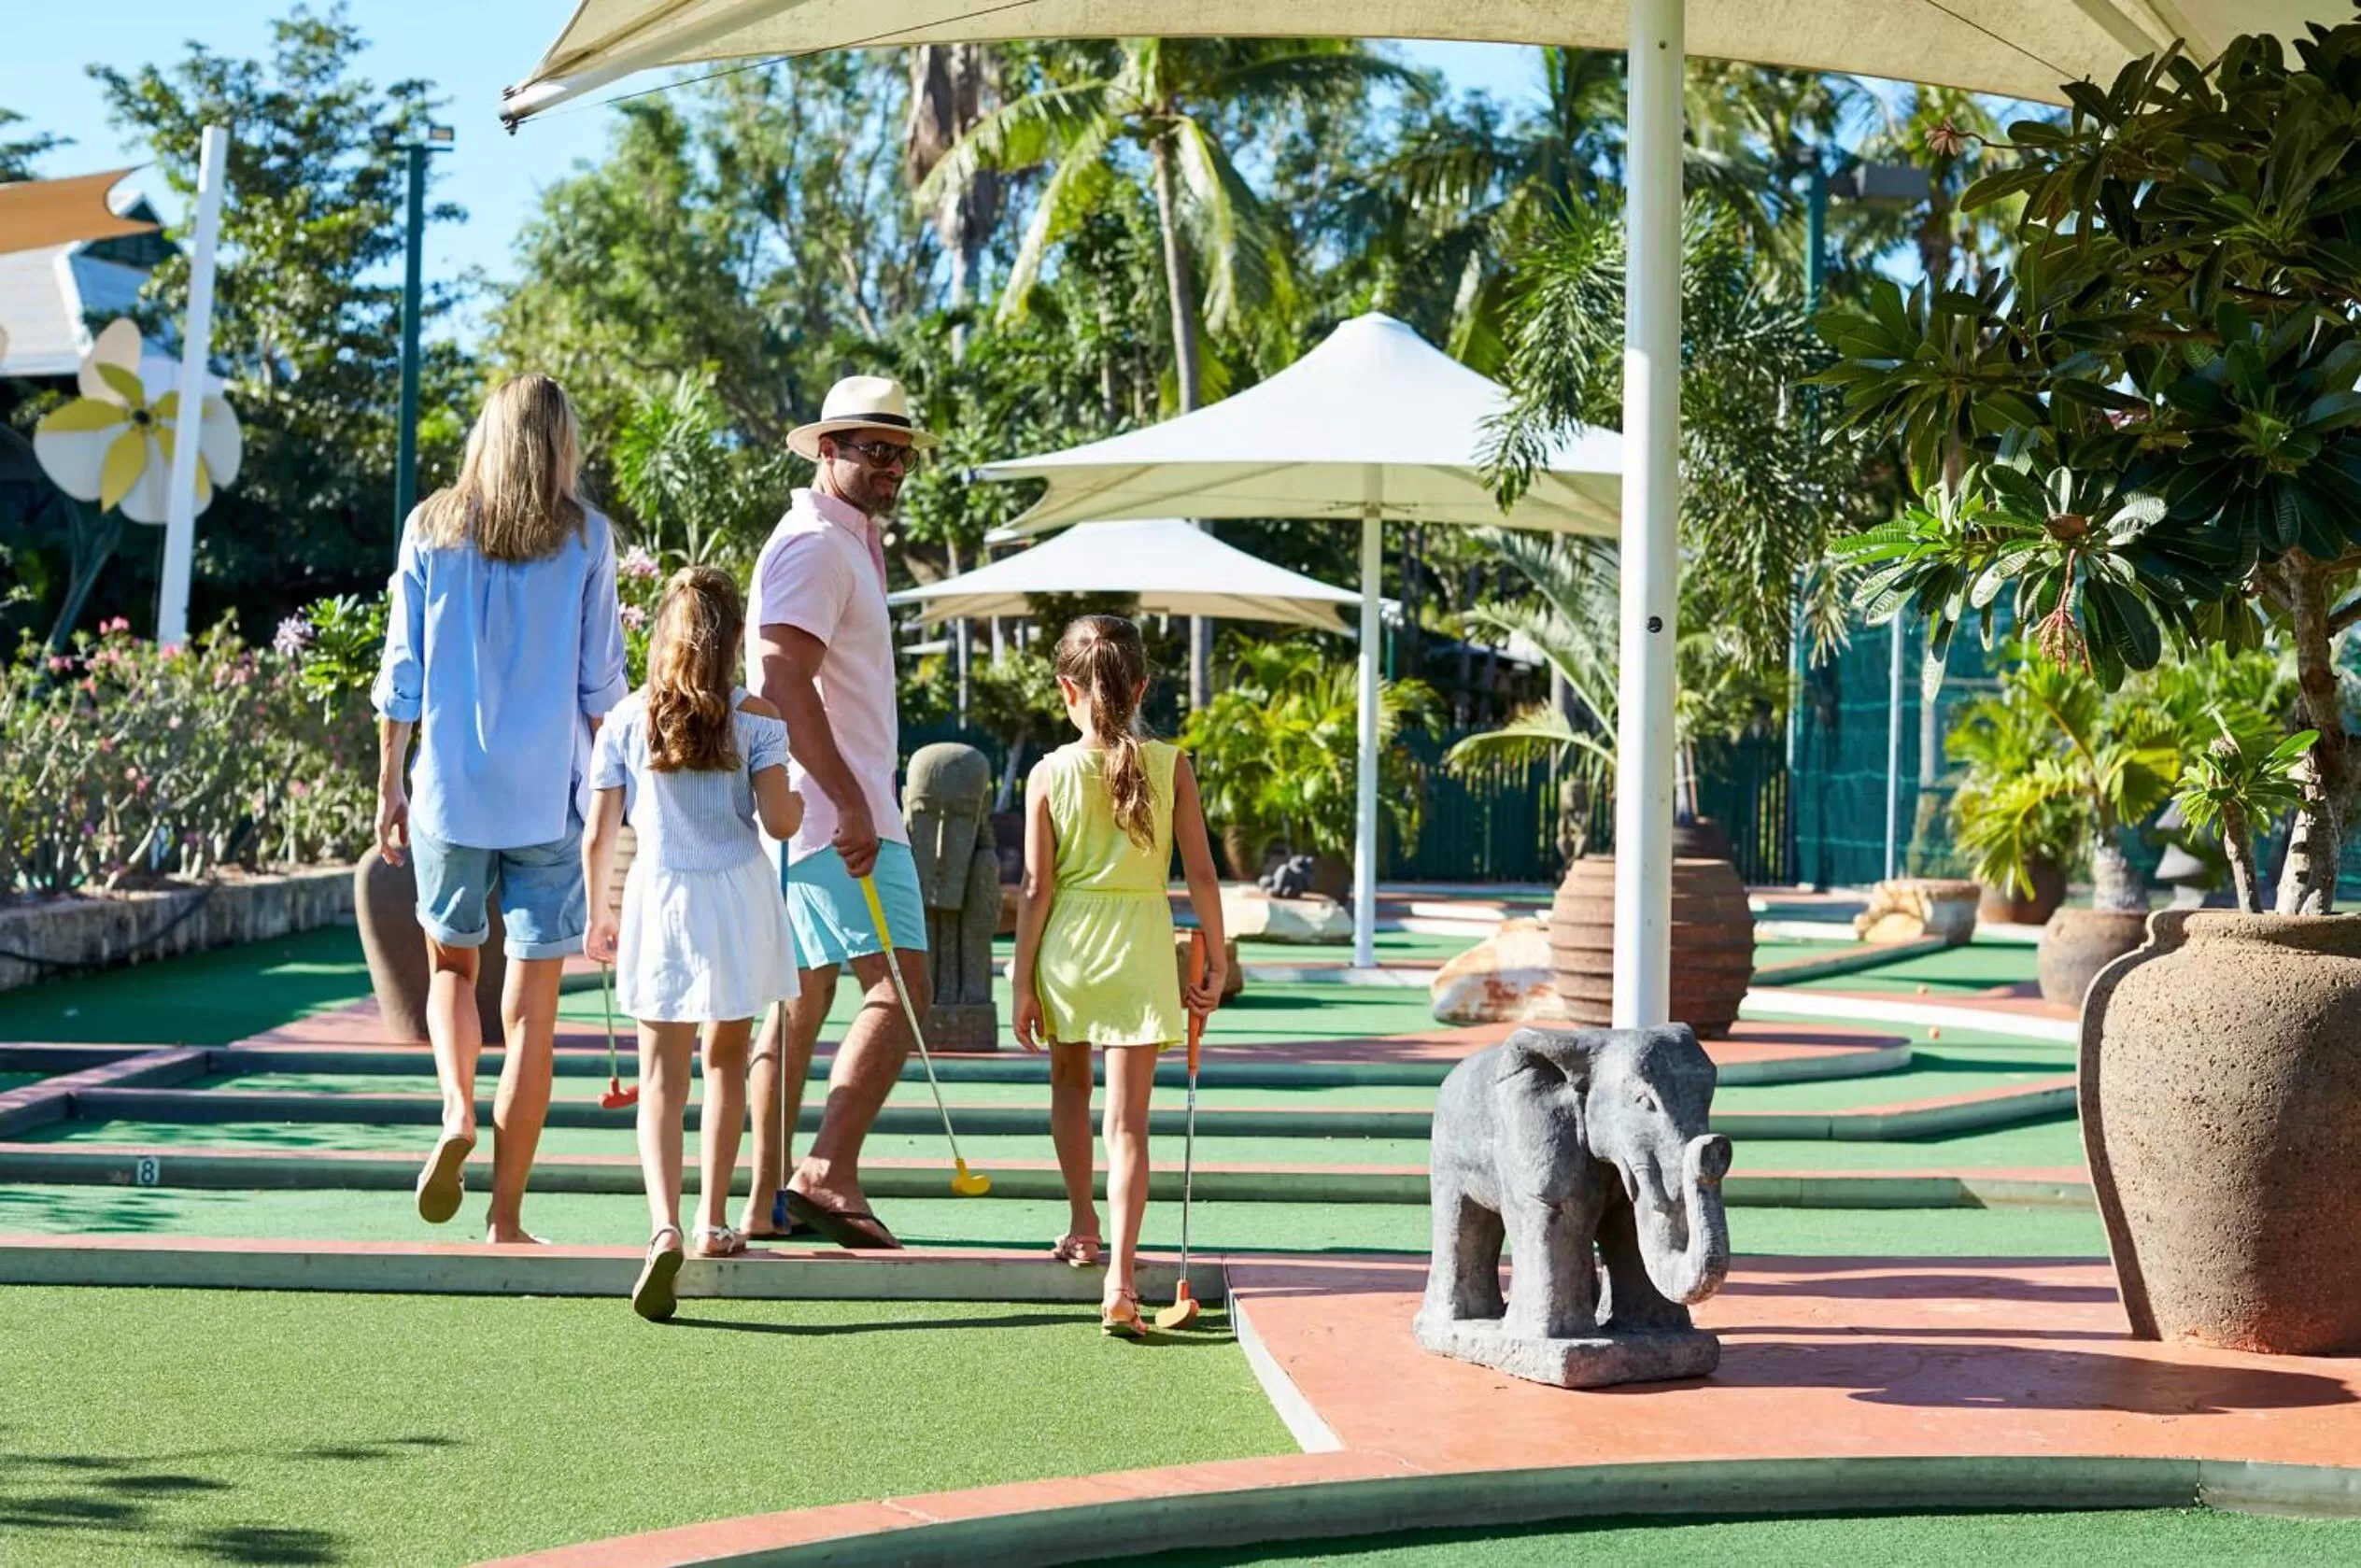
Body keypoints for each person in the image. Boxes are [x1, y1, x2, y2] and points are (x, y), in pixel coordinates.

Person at [372, 374, 629, 1244]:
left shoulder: (430, 526)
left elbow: (401, 672)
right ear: (561, 442)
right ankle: (506, 1218)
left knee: (452, 972)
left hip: (448, 792)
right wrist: (616, 803)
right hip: (549, 802)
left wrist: (389, 785)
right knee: (533, 1020)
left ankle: (454, 1108)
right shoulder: (588, 536)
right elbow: (601, 686)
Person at [740, 375, 939, 1250]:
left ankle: (762, 1199)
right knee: (903, 989)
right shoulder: (819, 543)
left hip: (818, 804)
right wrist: (853, 800)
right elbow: (780, 680)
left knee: (803, 997)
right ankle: (823, 1170)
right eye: (872, 449)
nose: (891, 465)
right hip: (835, 808)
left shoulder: (843, 540)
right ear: (827, 449)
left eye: (899, 451)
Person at [583, 566, 803, 1321]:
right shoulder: (759, 718)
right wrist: (798, 795)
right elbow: (779, 822)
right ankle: (713, 1219)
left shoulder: (625, 719)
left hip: (661, 892)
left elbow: (598, 833)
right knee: (726, 1062)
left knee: (660, 1075)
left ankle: (664, 1223)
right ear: (734, 637)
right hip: (736, 894)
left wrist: (597, 915)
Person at [1012, 614, 1227, 1336]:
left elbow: (1037, 888)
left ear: (1065, 689)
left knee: (1069, 1088)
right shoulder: (1173, 766)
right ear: (1140, 686)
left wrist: (1019, 979)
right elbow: (1200, 871)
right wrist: (1219, 957)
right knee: (1128, 1123)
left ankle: (1083, 1224)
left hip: (1069, 948)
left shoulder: (1048, 772)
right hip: (1139, 943)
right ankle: (1121, 1281)